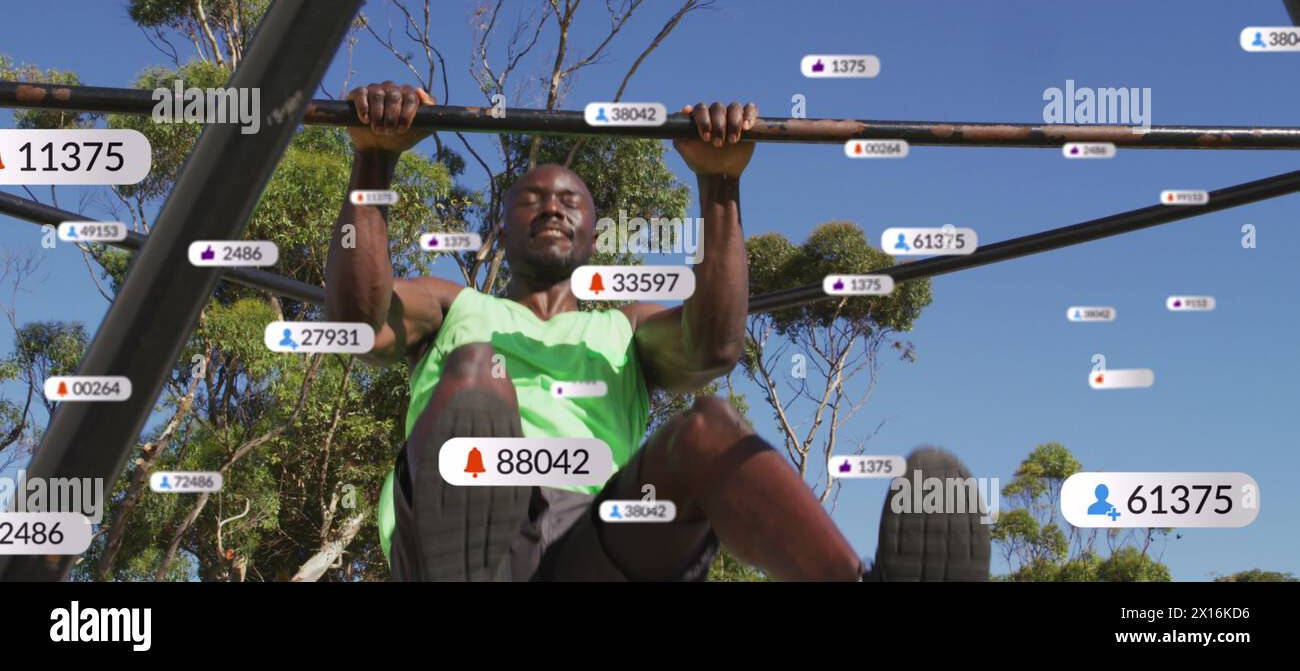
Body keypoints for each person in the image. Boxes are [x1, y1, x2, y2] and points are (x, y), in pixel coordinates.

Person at [325, 80, 991, 581]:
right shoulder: (453, 304)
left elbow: (716, 344)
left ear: (591, 234)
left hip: (583, 543)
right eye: (532, 196)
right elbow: (357, 321)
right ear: (500, 225)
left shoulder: (622, 329)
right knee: (477, 376)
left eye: (571, 199)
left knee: (708, 429)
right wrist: (374, 160)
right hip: (453, 523)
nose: (552, 203)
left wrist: (719, 181)